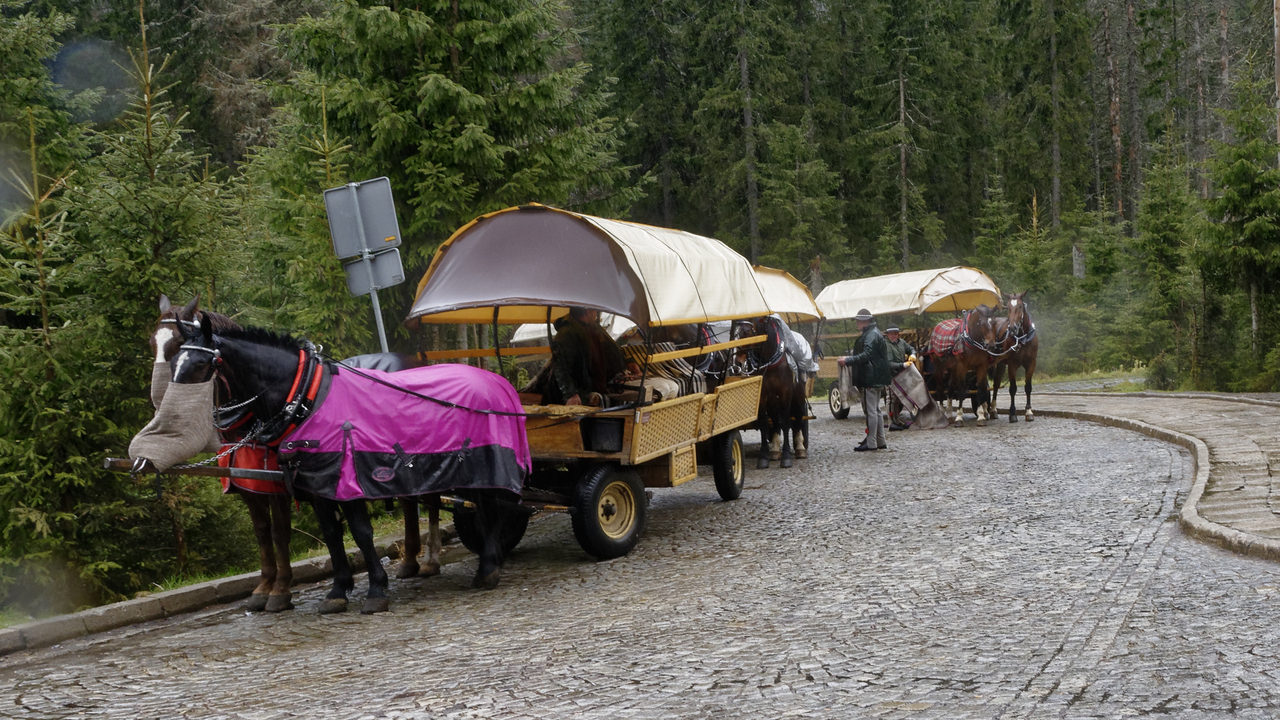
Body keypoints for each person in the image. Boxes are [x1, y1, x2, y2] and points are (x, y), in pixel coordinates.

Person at [548, 306, 637, 406]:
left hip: (599, 386)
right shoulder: (566, 333)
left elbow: (612, 349)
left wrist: (628, 361)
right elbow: (560, 366)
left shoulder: (594, 327)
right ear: (587, 311)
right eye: (595, 310)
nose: (597, 314)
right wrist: (571, 394)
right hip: (582, 392)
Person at [838, 308, 890, 451]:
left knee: (871, 411)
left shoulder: (870, 335)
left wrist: (848, 360)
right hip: (878, 377)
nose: (857, 323)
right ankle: (880, 441)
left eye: (859, 321)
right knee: (877, 410)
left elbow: (866, 355)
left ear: (865, 321)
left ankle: (872, 442)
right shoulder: (875, 333)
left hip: (870, 377)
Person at [884, 325, 916, 431]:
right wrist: (902, 365)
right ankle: (890, 422)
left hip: (900, 374)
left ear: (898, 334)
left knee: (897, 399)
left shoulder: (902, 342)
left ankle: (896, 421)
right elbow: (888, 363)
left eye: (895, 333)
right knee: (891, 399)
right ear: (888, 335)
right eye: (891, 334)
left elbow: (910, 348)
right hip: (889, 374)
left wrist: (913, 354)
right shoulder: (886, 345)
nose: (893, 335)